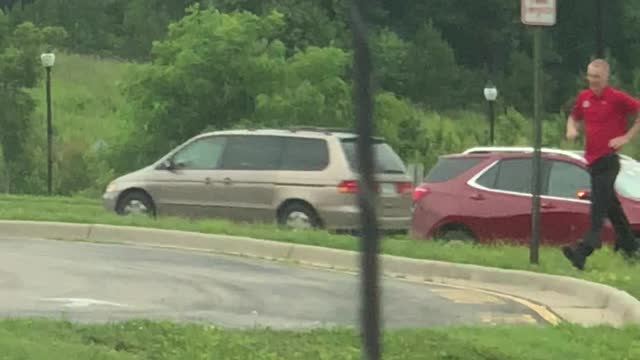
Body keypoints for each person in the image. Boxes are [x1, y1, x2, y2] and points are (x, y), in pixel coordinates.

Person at [562, 59, 640, 270]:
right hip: (593, 161)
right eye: (590, 76)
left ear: (605, 78)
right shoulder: (584, 97)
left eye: (597, 77)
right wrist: (571, 129)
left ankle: (583, 250)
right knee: (613, 209)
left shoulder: (616, 98)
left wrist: (626, 137)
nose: (592, 81)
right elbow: (574, 116)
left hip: (608, 160)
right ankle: (632, 249)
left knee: (598, 208)